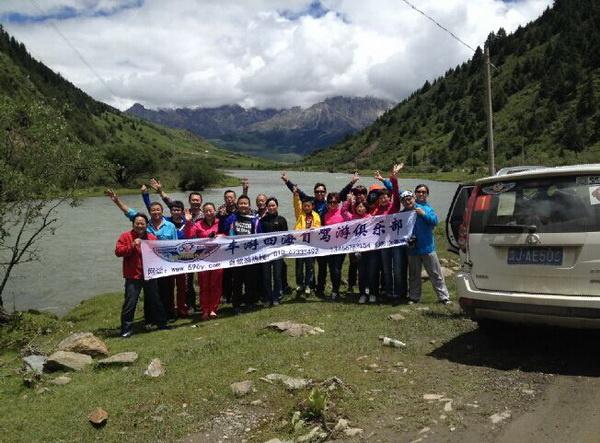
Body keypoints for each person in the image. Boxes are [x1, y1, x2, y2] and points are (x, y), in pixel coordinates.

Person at [281, 172, 358, 297]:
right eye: (317, 191)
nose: (320, 193)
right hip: (312, 239)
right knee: (312, 264)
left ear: (325, 193)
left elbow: (342, 194)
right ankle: (312, 286)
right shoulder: (311, 201)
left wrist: (352, 182)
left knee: (323, 266)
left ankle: (323, 288)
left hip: (326, 239)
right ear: (314, 193)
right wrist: (287, 181)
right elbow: (298, 193)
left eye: (322, 191)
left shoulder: (331, 202)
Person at [106, 188, 179, 320]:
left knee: (165, 290)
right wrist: (117, 201)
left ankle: (167, 316)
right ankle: (149, 319)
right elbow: (129, 212)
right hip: (146, 268)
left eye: (158, 209)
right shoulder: (145, 224)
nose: (156, 212)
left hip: (165, 264)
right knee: (151, 295)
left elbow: (175, 245)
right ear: (149, 212)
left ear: (162, 211)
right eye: (153, 210)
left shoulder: (170, 225)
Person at [148, 177, 203, 313]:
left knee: (188, 281)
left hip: (194, 253)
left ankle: (190, 305)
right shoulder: (184, 214)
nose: (195, 202)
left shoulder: (205, 214)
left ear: (200, 201)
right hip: (174, 254)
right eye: (193, 200)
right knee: (175, 282)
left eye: (197, 200)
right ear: (190, 201)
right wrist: (160, 191)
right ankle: (172, 307)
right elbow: (170, 203)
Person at [141, 185, 188, 317]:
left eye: (178, 210)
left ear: (182, 211)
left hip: (183, 258)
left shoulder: (187, 222)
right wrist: (146, 195)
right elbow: (152, 209)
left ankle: (182, 308)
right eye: (173, 210)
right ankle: (168, 309)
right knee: (167, 286)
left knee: (183, 286)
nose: (176, 212)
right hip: (162, 261)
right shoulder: (165, 220)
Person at [405, 184, 451, 305]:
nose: (421, 194)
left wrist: (423, 214)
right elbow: (399, 193)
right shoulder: (407, 208)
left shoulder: (428, 208)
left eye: (424, 192)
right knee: (414, 275)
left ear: (427, 194)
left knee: (435, 273)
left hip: (427, 247)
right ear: (414, 194)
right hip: (412, 248)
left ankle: (444, 297)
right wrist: (388, 180)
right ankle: (414, 297)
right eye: (419, 192)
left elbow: (435, 221)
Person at [219, 194, 261, 314]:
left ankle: (249, 302)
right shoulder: (232, 218)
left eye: (245, 203)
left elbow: (261, 235)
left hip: (250, 255)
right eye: (241, 203)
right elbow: (224, 230)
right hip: (236, 255)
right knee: (237, 281)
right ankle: (236, 304)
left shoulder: (254, 219)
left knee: (250, 280)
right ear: (237, 205)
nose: (243, 205)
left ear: (249, 205)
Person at [183, 203, 223, 320]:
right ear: (203, 212)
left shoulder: (219, 222)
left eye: (211, 210)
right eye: (206, 211)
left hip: (218, 259)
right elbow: (189, 236)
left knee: (215, 284)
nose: (209, 213)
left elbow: (227, 235)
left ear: (214, 211)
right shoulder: (198, 224)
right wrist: (189, 222)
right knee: (204, 285)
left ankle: (213, 309)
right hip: (203, 260)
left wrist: (218, 235)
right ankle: (205, 309)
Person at [341, 195, 372, 304]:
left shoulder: (371, 218)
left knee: (371, 272)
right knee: (361, 272)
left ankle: (371, 292)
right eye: (358, 207)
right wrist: (348, 201)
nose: (360, 208)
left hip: (370, 250)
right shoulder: (352, 218)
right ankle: (363, 293)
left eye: (363, 207)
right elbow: (343, 211)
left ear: (366, 208)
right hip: (358, 251)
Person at [258, 197, 288, 306]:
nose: (271, 208)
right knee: (266, 276)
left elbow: (285, 236)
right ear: (266, 207)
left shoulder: (282, 220)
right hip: (265, 253)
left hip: (278, 253)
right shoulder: (262, 221)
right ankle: (267, 297)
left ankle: (277, 296)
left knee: (277, 275)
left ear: (277, 206)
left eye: (273, 205)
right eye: (269, 206)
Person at [292, 189, 321, 298]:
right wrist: (296, 196)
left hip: (311, 244)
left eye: (308, 206)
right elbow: (296, 205)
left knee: (310, 266)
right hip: (299, 244)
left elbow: (319, 227)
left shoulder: (316, 215)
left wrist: (315, 228)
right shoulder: (300, 214)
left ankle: (308, 284)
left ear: (312, 206)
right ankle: (300, 284)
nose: (306, 208)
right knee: (299, 266)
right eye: (305, 206)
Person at [323, 192, 345, 301]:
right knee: (332, 269)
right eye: (330, 202)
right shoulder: (325, 215)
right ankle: (335, 289)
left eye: (335, 202)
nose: (332, 204)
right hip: (329, 247)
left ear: (339, 203)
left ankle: (335, 291)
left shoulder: (343, 213)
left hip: (341, 246)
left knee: (336, 268)